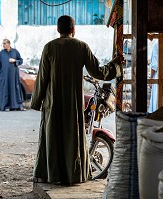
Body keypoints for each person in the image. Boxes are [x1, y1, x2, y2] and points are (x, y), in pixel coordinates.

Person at [30, 15, 123, 185]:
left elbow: (42, 78)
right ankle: (73, 175)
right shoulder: (81, 47)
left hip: (53, 102)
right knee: (73, 138)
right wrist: (116, 66)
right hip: (73, 103)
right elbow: (98, 72)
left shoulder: (49, 48)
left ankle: (51, 175)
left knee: (52, 138)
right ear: (73, 29)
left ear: (58, 30)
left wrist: (37, 101)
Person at [0, 39, 26, 111]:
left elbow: (21, 60)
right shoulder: (1, 53)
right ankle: (6, 106)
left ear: (9, 44)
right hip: (5, 76)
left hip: (14, 76)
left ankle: (18, 106)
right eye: (3, 44)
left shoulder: (15, 52)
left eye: (4, 44)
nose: (3, 45)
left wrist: (15, 61)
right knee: (6, 90)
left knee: (16, 89)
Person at [148, 42, 158, 113]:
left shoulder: (157, 45)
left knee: (156, 99)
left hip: (159, 76)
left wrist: (150, 80)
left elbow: (154, 66)